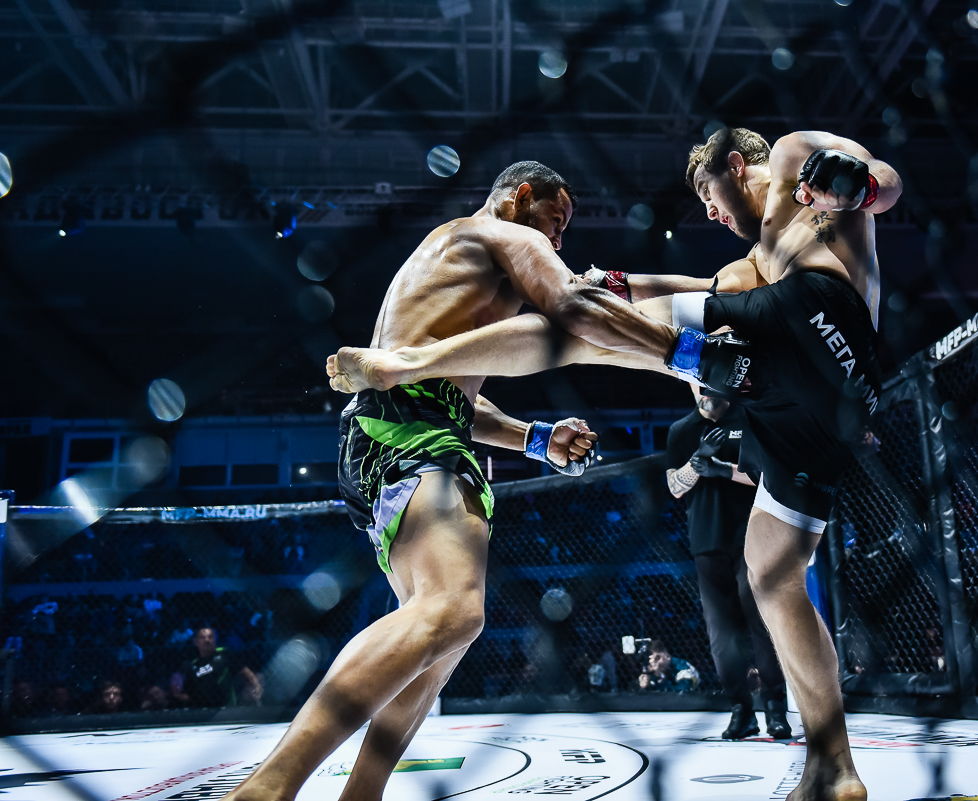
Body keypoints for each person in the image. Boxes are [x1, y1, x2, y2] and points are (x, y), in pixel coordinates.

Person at [327, 128, 898, 801]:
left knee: (580, 331)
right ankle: (834, 766)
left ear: (734, 164)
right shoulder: (760, 257)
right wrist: (622, 284)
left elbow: (885, 182)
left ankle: (405, 364)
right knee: (772, 573)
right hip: (829, 405)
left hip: (814, 320)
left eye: (708, 194)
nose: (709, 212)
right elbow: (712, 289)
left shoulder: (795, 158)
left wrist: (858, 184)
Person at [223, 160, 754, 801]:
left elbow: (453, 397)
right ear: (520, 197)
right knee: (449, 611)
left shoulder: (458, 269)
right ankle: (268, 788)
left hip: (404, 431)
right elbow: (574, 309)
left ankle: (361, 794)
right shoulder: (498, 234)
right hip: (406, 435)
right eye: (556, 219)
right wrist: (692, 353)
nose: (557, 238)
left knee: (439, 635)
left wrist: (534, 437)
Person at [667, 385, 791, 740]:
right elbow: (675, 487)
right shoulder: (682, 430)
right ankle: (741, 710)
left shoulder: (747, 418)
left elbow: (766, 475)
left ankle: (775, 708)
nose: (704, 391)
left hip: (751, 536)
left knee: (761, 623)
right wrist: (696, 462)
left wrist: (722, 469)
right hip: (707, 541)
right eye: (698, 384)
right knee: (722, 635)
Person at [172, 626, 262, 708]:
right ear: (196, 642)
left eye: (210, 637)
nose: (207, 640)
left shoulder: (224, 654)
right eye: (203, 637)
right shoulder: (193, 665)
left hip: (226, 708)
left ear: (215, 640)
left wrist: (256, 684)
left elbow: (245, 670)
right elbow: (191, 696)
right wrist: (179, 696)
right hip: (202, 710)